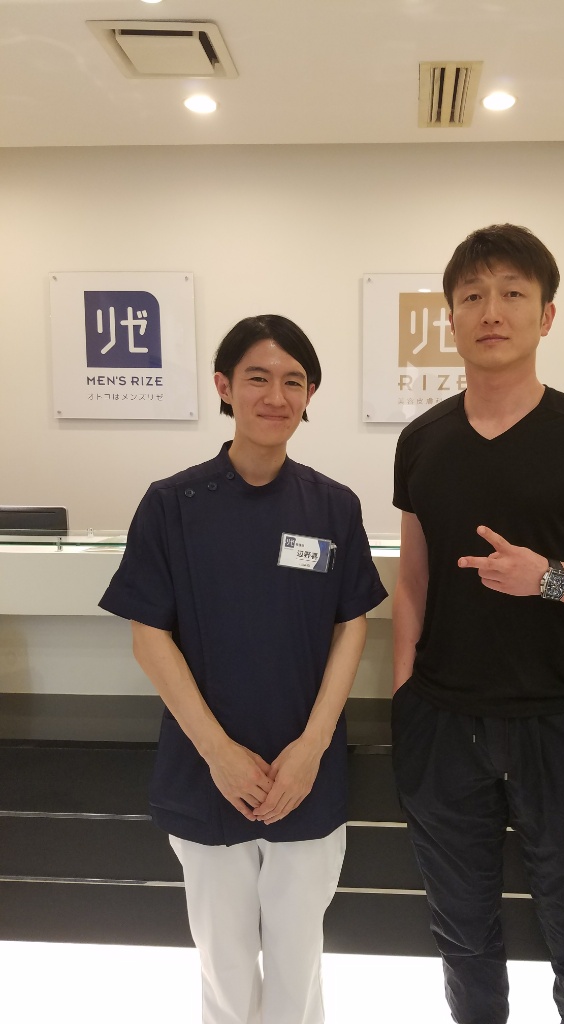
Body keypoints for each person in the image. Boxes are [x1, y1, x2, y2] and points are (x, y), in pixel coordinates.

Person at [391, 224, 564, 1024]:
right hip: (443, 723)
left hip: (559, 720)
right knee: (461, 933)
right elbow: (413, 579)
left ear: (546, 315)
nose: (492, 310)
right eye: (473, 295)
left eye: (513, 292)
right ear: (450, 318)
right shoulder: (422, 441)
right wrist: (406, 694)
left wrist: (546, 577)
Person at [100, 314, 387, 1024]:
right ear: (225, 387)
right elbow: (149, 637)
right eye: (258, 378)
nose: (276, 396)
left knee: (298, 965)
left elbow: (352, 624)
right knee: (223, 968)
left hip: (304, 775)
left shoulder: (333, 506)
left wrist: (312, 746)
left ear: (310, 394)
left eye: (294, 381)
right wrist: (220, 754)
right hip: (207, 776)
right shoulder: (172, 504)